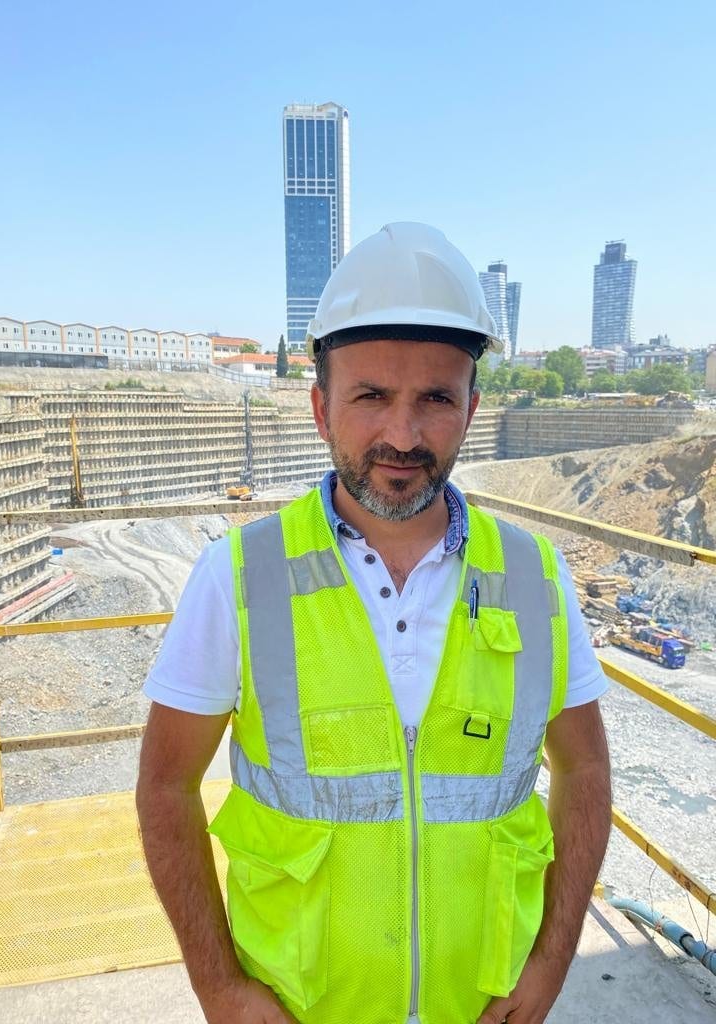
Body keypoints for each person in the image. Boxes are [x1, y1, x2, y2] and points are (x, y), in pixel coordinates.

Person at [136, 222, 612, 1024]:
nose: (403, 435)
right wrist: (219, 987)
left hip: (480, 1007)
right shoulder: (240, 576)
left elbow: (586, 775)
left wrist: (551, 963)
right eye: (371, 397)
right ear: (321, 407)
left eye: (435, 397)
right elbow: (164, 787)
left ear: (471, 406)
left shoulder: (534, 577)